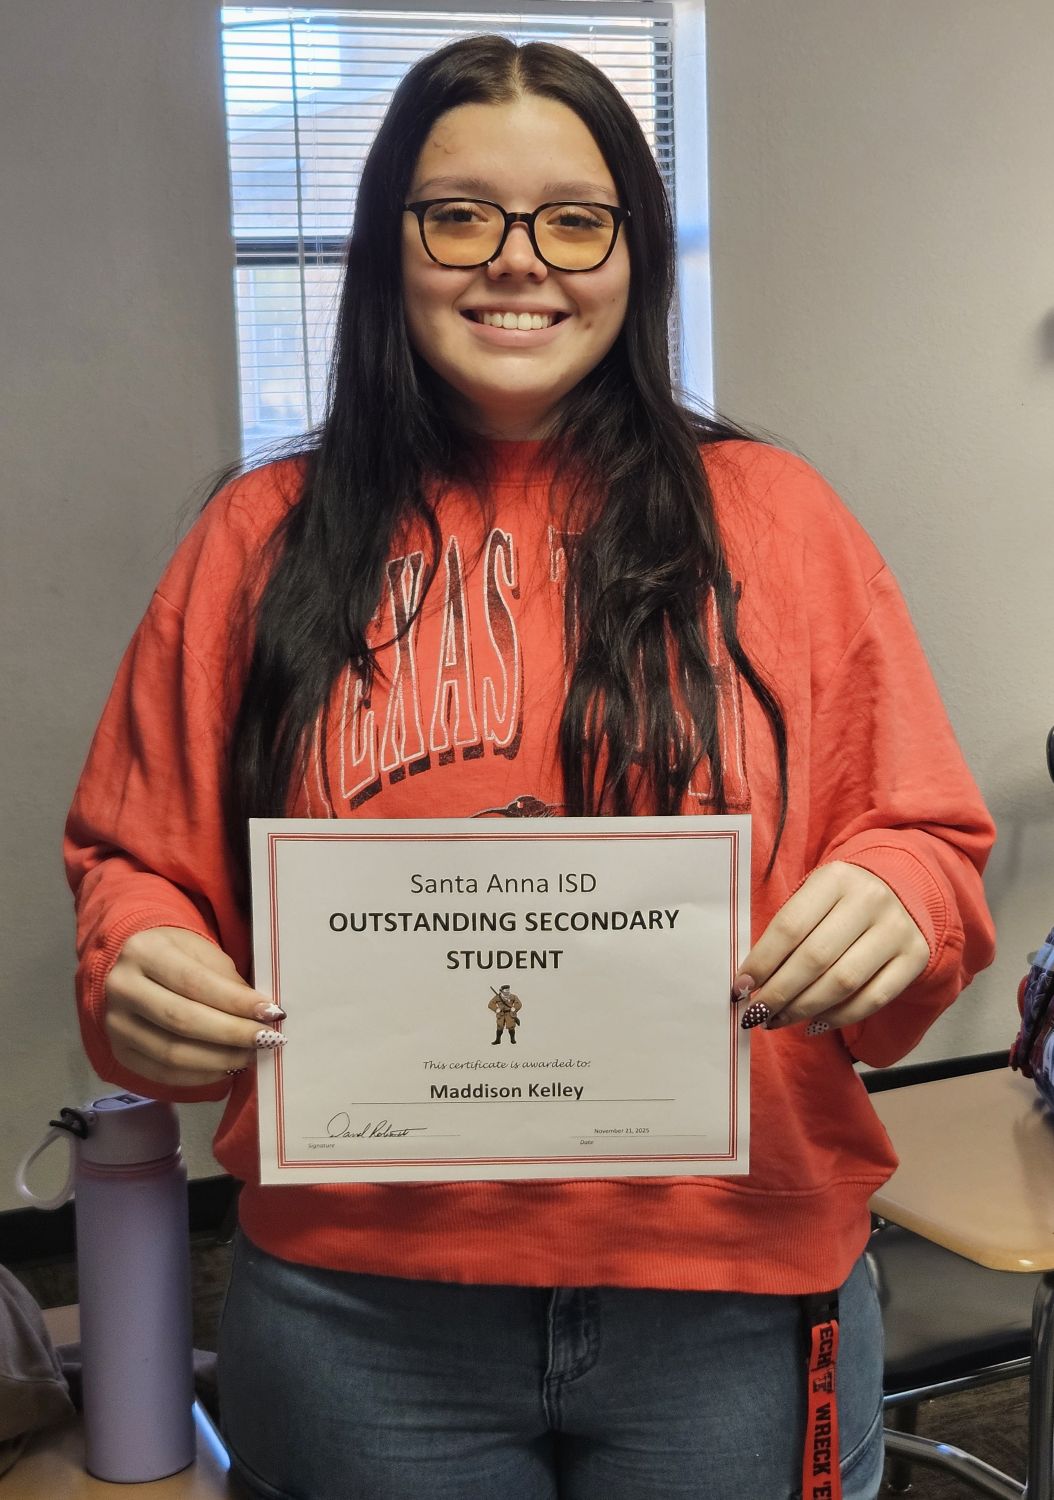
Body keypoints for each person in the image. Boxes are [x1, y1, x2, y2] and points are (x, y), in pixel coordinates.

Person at [64, 34, 996, 1500]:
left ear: (634, 251)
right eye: (458, 215)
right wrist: (137, 955)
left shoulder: (778, 520)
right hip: (364, 1307)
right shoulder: (258, 537)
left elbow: (926, 844)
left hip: (732, 1293)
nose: (517, 260)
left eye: (574, 219)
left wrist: (898, 897)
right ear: (389, 243)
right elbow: (135, 866)